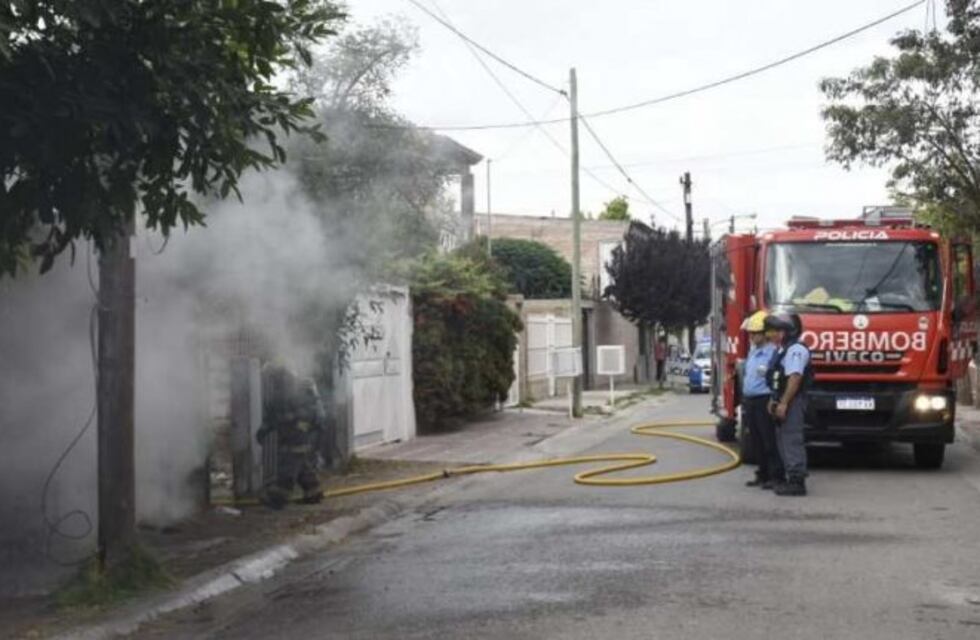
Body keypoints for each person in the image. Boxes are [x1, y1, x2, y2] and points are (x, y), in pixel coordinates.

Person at [258, 363, 325, 510]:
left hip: (297, 435)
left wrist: (294, 422)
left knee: (287, 469)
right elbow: (273, 416)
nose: (275, 381)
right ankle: (313, 493)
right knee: (302, 466)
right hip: (293, 435)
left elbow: (306, 415)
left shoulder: (297, 392)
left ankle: (278, 499)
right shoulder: (279, 394)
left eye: (276, 378)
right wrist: (264, 430)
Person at [765, 313, 813, 497]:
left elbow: (794, 378)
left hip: (793, 400)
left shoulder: (796, 350)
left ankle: (797, 481)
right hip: (783, 398)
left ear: (786, 332)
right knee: (783, 438)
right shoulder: (783, 350)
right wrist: (774, 399)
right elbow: (778, 378)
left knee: (792, 438)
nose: (771, 334)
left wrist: (784, 403)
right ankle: (789, 477)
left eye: (776, 330)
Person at [739, 311, 783, 490]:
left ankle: (775, 476)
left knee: (769, 440)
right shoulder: (753, 351)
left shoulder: (772, 353)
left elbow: (776, 379)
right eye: (750, 333)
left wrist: (774, 399)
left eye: (754, 333)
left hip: (764, 400)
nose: (751, 336)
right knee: (756, 440)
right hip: (750, 400)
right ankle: (762, 474)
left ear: (765, 334)